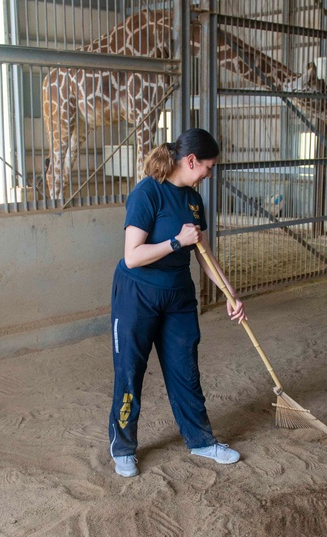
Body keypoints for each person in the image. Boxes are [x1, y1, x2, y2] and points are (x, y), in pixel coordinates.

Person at [108, 128, 245, 478]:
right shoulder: (146, 193)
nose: (210, 174)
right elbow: (132, 256)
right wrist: (175, 241)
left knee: (186, 371)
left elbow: (204, 255)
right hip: (137, 296)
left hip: (179, 296)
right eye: (208, 167)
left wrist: (230, 294)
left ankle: (200, 441)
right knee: (129, 372)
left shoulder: (194, 199)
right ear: (191, 161)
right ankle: (123, 447)